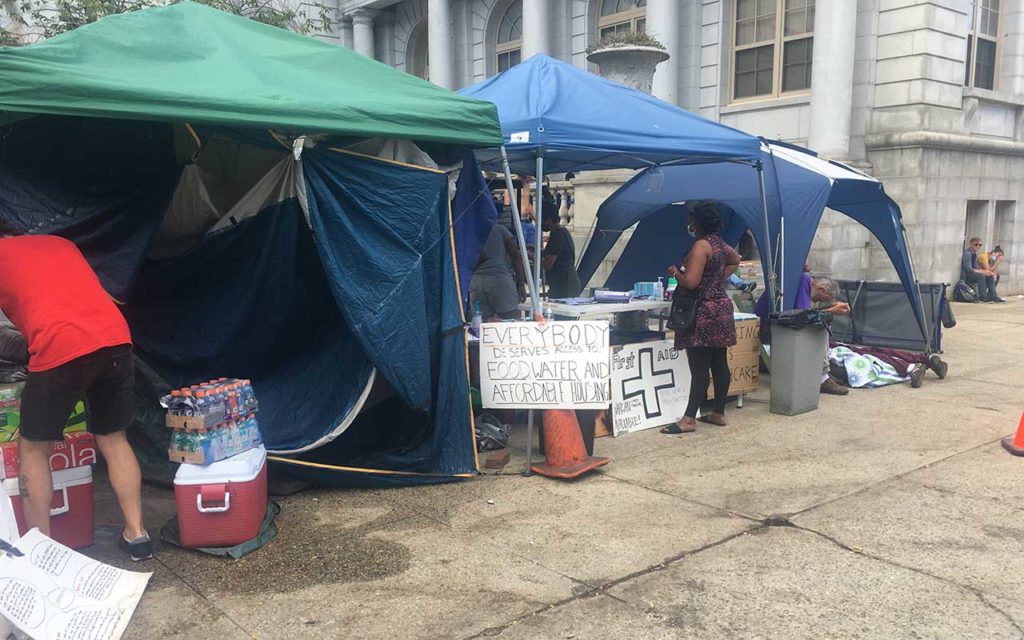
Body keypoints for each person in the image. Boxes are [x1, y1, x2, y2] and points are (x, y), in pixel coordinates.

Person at [0, 234, 151, 561]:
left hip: (61, 343)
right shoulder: (60, 243)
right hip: (114, 336)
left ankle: (41, 551)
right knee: (113, 438)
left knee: (33, 448)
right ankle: (137, 534)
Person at [660, 201, 741, 433]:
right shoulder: (719, 244)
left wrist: (676, 272)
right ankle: (718, 413)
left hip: (703, 311)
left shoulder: (700, 246)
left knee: (699, 366)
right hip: (721, 307)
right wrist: (716, 279)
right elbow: (735, 259)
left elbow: (691, 282)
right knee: (719, 362)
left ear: (696, 222)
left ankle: (687, 420)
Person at [754, 273, 852, 395]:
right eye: (821, 299)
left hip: (777, 324)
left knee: (822, 322)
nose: (817, 301)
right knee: (820, 328)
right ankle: (822, 379)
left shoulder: (802, 281)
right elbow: (804, 317)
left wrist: (830, 308)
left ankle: (823, 374)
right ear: (821, 289)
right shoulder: (803, 282)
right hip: (772, 328)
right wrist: (831, 311)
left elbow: (803, 315)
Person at [470, 219, 528, 320]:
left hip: (476, 284)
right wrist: (521, 283)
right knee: (511, 323)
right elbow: (515, 255)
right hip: (500, 282)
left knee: (481, 327)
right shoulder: (500, 229)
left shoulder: (469, 232)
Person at [540, 190, 582, 299]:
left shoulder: (557, 235)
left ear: (548, 221)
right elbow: (554, 253)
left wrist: (531, 257)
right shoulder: (562, 231)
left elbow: (547, 264)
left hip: (564, 284)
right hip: (565, 281)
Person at [962, 237, 1004, 302]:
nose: (978, 246)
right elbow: (968, 269)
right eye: (976, 244)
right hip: (966, 275)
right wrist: (982, 271)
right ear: (971, 244)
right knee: (981, 275)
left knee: (989, 275)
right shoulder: (967, 254)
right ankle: (983, 297)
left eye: (980, 245)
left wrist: (985, 272)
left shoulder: (974, 255)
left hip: (973, 273)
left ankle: (993, 296)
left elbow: (976, 267)